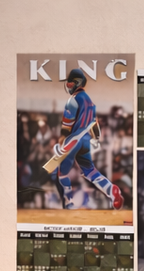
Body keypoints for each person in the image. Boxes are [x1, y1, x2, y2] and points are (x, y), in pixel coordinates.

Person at [52, 68, 124, 210]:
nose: (68, 86)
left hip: (73, 140)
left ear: (77, 83)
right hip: (85, 140)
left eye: (70, 84)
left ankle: (69, 203)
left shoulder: (72, 101)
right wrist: (95, 139)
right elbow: (95, 125)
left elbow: (66, 125)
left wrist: (61, 142)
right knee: (90, 171)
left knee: (62, 173)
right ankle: (111, 189)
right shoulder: (90, 103)